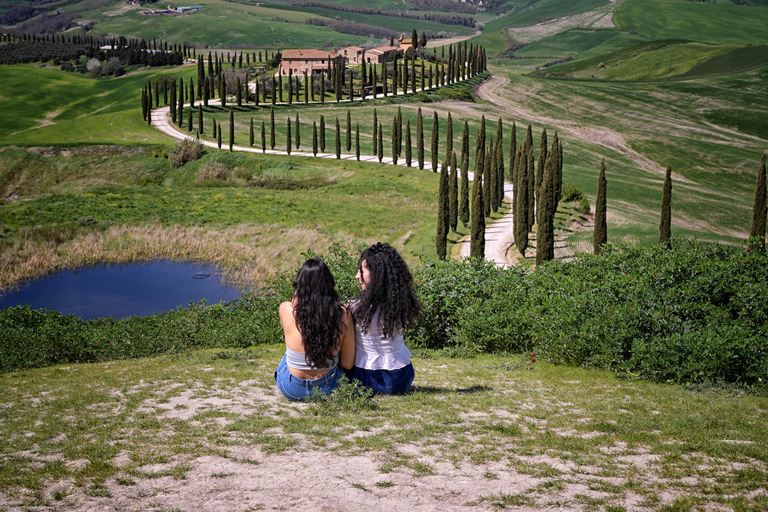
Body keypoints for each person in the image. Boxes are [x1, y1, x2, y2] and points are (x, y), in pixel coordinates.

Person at [275, 258, 355, 401]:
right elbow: (347, 364)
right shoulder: (343, 314)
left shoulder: (285, 309)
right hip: (329, 389)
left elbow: (295, 304)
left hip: (291, 388)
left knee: (288, 354)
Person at [347, 242, 420, 395]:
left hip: (366, 378)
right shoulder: (401, 304)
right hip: (402, 377)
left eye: (361, 271)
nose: (357, 276)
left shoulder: (357, 307)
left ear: (376, 273)